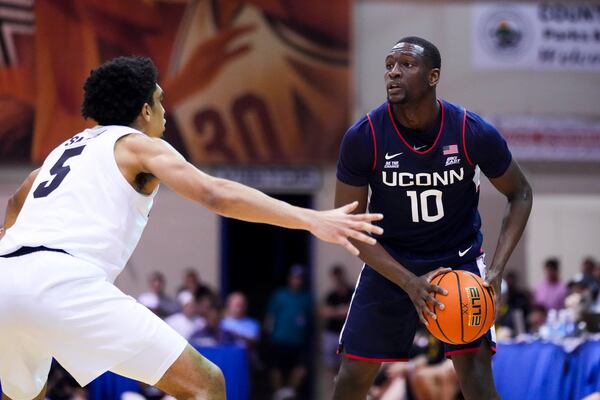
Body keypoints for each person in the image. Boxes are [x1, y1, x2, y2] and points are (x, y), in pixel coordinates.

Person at [0, 56, 383, 400]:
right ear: (145, 109)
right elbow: (214, 193)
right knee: (205, 383)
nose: (166, 112)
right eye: (161, 101)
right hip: (62, 279)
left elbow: (19, 198)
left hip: (6, 275)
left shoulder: (62, 152)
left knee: (25, 394)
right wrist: (312, 219)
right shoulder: (136, 144)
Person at [332, 36, 532, 400]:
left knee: (476, 375)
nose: (393, 72)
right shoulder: (365, 136)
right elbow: (350, 226)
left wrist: (497, 268)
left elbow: (520, 193)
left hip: (458, 261)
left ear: (433, 76)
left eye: (406, 64)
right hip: (391, 263)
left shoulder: (472, 132)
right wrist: (409, 282)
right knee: (352, 376)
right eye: (390, 64)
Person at [264, 265, 313, 400]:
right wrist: (268, 334)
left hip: (298, 340)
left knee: (300, 369)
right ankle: (279, 394)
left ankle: (289, 393)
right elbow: (270, 316)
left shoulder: (306, 298)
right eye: (294, 277)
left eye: (299, 278)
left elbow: (309, 319)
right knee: (276, 368)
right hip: (279, 339)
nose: (297, 280)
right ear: (290, 278)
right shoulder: (279, 295)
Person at [320, 264, 353, 378]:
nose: (337, 279)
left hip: (347, 335)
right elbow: (325, 312)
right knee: (330, 366)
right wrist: (340, 311)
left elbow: (351, 311)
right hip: (331, 334)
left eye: (339, 276)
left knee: (347, 367)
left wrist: (335, 311)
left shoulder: (352, 292)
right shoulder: (331, 295)